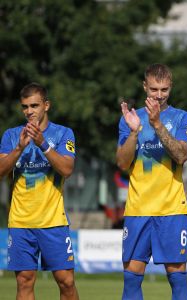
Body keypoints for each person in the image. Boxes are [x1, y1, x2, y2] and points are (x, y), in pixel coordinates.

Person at [116, 63, 187, 300]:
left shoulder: (183, 118)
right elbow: (122, 163)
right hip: (138, 209)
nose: (158, 95)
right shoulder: (131, 118)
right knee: (131, 278)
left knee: (177, 277)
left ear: (171, 88)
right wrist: (133, 132)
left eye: (164, 89)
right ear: (144, 87)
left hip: (171, 209)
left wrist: (157, 124)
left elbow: (181, 155)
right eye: (153, 89)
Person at [0, 83, 79, 299]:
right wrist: (19, 148)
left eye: (34, 105)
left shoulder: (63, 133)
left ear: (46, 105)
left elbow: (66, 169)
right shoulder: (11, 135)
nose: (29, 111)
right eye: (25, 106)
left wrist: (42, 143)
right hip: (20, 222)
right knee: (24, 282)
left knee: (66, 282)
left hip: (53, 222)